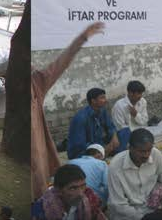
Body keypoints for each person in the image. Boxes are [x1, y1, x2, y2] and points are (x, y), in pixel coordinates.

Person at [32, 22, 106, 198]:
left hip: (38, 165)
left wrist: (82, 38)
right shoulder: (81, 117)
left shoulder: (36, 83)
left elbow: (60, 64)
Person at [106, 128, 162, 220]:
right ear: (129, 147)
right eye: (142, 151)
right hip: (130, 214)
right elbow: (118, 204)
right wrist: (144, 217)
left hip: (152, 205)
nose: (146, 155)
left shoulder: (155, 154)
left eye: (149, 150)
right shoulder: (115, 166)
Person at [30, 163, 105, 220]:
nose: (80, 194)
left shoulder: (89, 199)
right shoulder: (40, 209)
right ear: (59, 190)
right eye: (73, 188)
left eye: (83, 186)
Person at [67, 87, 125, 159]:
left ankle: (109, 154)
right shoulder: (81, 118)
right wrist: (101, 149)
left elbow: (110, 126)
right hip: (82, 151)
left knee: (124, 133)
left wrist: (114, 137)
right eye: (102, 98)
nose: (105, 100)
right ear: (93, 101)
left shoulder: (102, 111)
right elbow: (80, 145)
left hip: (99, 144)